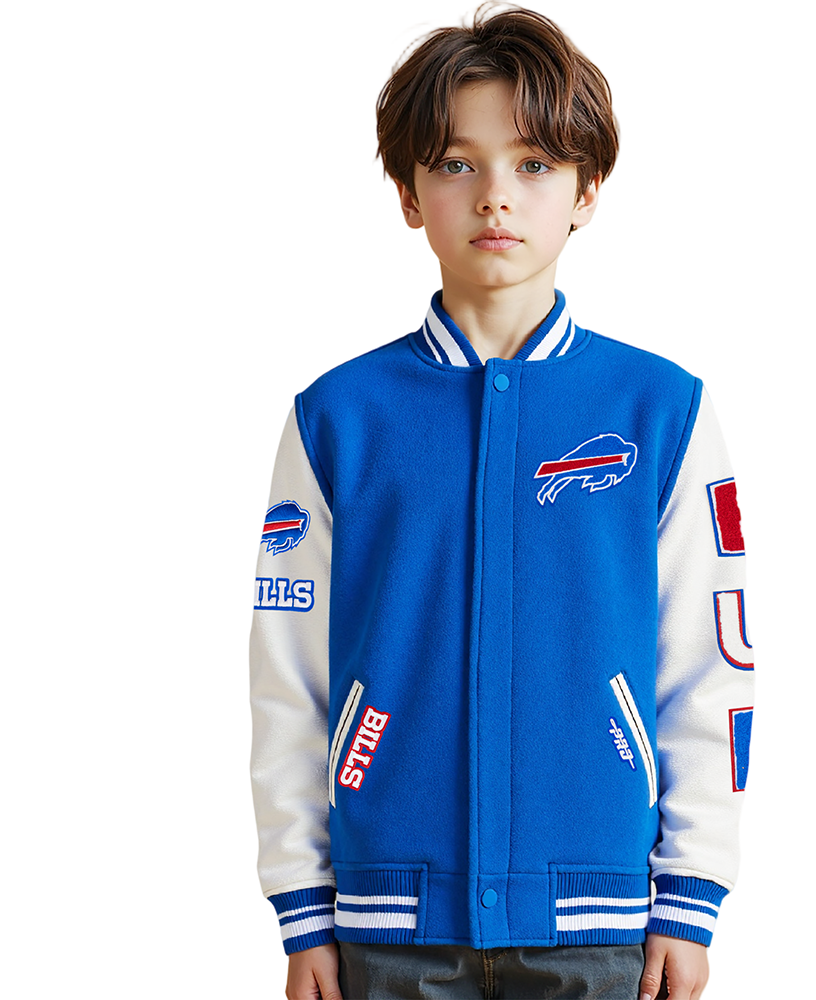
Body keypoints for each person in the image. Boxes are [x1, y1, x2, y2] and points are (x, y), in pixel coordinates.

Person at [249, 6, 754, 999]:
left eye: (533, 164)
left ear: (586, 190)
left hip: (600, 918)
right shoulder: (337, 418)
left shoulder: (661, 412)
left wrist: (690, 893)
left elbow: (710, 662)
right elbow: (287, 675)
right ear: (408, 193)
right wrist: (301, 902)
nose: (494, 196)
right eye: (455, 163)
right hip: (386, 918)